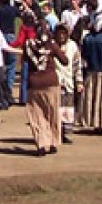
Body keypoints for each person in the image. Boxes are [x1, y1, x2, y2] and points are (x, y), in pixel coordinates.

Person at [24, 24, 67, 156]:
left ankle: (41, 143)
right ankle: (53, 142)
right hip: (51, 83)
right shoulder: (52, 45)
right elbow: (65, 61)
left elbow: (25, 60)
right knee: (53, 114)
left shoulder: (29, 45)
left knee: (37, 116)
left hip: (34, 84)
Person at [78, 14, 102, 135]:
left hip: (92, 72)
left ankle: (95, 123)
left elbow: (84, 55)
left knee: (93, 98)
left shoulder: (88, 38)